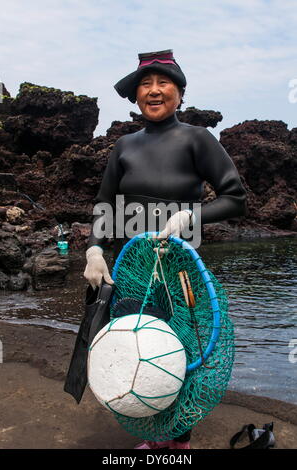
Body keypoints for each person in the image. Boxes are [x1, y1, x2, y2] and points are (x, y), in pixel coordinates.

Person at [84, 49, 246, 449]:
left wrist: (190, 216)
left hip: (179, 270)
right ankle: (153, 439)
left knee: (181, 354)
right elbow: (106, 207)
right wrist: (93, 251)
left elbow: (235, 197)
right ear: (136, 96)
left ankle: (179, 444)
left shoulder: (197, 138)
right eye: (145, 84)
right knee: (138, 351)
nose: (154, 91)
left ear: (179, 92)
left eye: (163, 83)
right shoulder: (123, 146)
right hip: (130, 270)